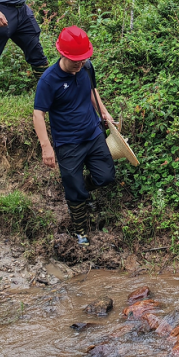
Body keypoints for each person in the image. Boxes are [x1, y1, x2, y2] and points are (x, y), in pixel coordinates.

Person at [33, 26, 117, 246]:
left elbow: (92, 91)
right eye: (75, 60)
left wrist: (104, 112)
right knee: (73, 186)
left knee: (106, 176)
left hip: (93, 133)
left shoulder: (87, 67)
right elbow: (38, 113)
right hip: (67, 143)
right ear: (62, 54)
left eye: (82, 59)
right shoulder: (49, 80)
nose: (79, 64)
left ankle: (82, 193)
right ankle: (80, 230)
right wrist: (46, 146)